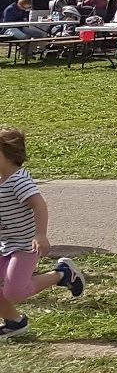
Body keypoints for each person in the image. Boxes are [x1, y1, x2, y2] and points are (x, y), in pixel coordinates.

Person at [0, 128, 87, 341]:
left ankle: (62, 274)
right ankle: (14, 323)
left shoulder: (18, 181)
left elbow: (39, 206)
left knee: (15, 292)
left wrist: (40, 235)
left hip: (24, 246)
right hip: (5, 244)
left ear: (7, 155)